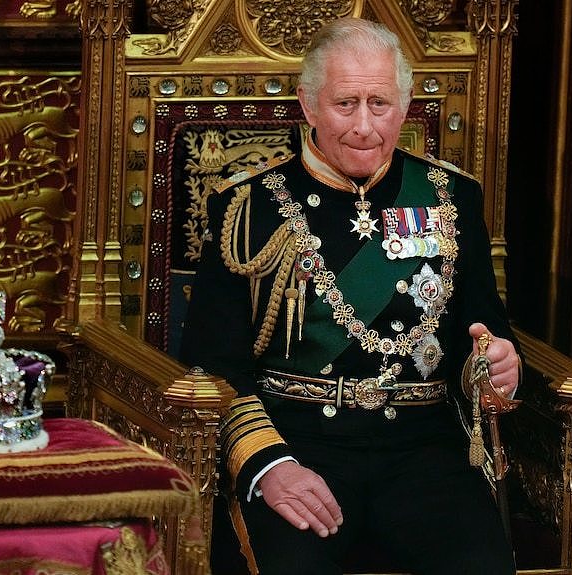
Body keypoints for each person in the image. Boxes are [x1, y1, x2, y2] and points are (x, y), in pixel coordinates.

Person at [180, 16, 520, 575]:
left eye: (380, 104)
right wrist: (268, 466)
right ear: (308, 105)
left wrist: (497, 366)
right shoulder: (249, 206)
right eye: (345, 105)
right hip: (300, 444)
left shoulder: (452, 197)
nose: (364, 126)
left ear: (405, 106)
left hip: (422, 454)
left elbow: (482, 329)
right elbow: (213, 363)